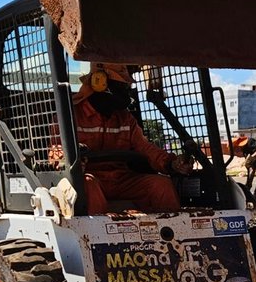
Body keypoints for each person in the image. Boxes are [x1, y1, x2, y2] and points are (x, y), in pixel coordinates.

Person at [68, 63, 191, 213]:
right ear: (99, 82)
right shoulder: (70, 116)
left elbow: (145, 148)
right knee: (88, 184)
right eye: (121, 86)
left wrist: (171, 163)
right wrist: (72, 162)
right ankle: (98, 235)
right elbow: (57, 152)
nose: (126, 93)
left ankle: (176, 233)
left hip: (121, 179)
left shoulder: (126, 119)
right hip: (90, 179)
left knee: (161, 185)